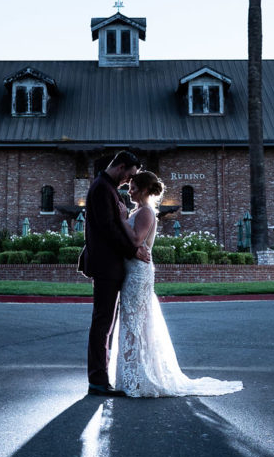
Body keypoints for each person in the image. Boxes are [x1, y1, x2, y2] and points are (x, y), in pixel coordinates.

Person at [112, 170, 243, 398]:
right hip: (133, 271)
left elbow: (135, 239)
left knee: (135, 322)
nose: (129, 190)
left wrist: (122, 219)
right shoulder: (138, 210)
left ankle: (140, 377)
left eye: (133, 187)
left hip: (138, 274)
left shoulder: (144, 212)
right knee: (134, 322)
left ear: (143, 189)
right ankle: (134, 375)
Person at [83, 150, 150, 396]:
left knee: (106, 322)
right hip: (106, 265)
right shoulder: (102, 188)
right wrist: (133, 252)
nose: (128, 181)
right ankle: (98, 381)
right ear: (121, 167)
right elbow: (108, 229)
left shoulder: (108, 188)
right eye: (129, 175)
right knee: (103, 323)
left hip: (111, 264)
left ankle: (101, 378)